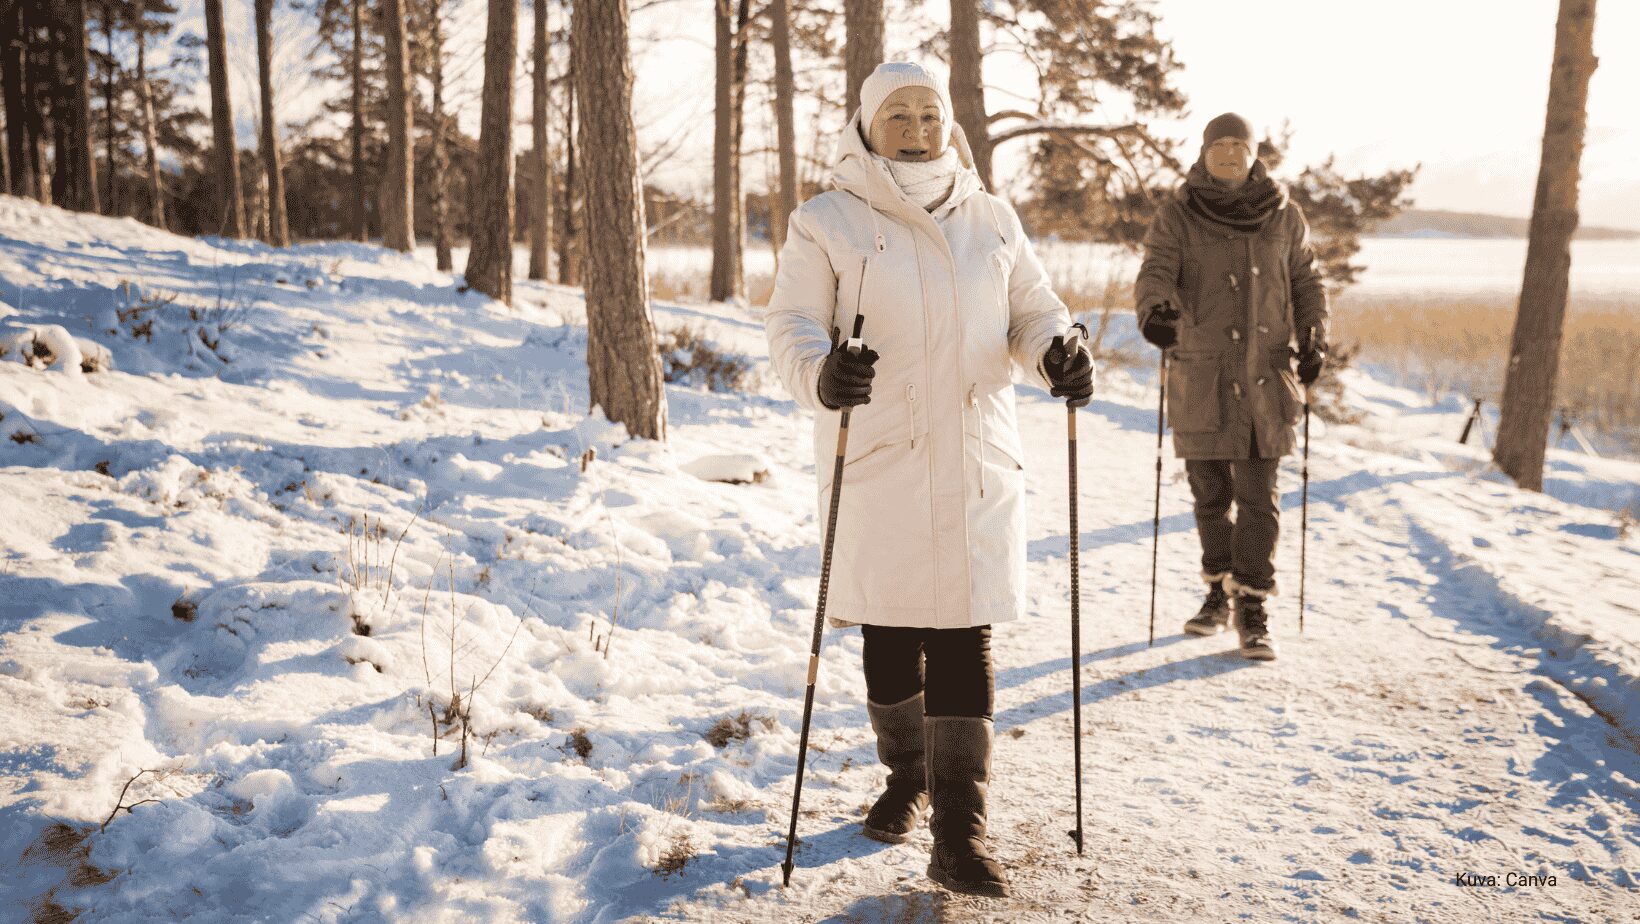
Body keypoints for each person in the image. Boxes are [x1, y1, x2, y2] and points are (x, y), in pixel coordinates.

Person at [763, 61, 1092, 898]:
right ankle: (906, 773)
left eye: (929, 113)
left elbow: (1033, 311)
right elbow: (792, 324)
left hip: (976, 456)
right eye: (899, 114)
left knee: (963, 633)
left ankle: (959, 830)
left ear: (950, 124)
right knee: (888, 633)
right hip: (879, 455)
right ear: (868, 126)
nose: (916, 128)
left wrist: (1057, 353)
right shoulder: (826, 220)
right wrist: (822, 373)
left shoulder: (992, 217)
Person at [1134, 112, 1329, 661]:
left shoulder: (1284, 214)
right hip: (1203, 374)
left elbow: (1307, 279)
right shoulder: (1178, 213)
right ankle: (1218, 591)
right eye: (1217, 146)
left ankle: (1252, 603)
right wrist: (1155, 311)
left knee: (1260, 498)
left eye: (1236, 147)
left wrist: (1315, 335)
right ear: (1203, 154)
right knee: (1211, 497)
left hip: (1266, 377)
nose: (1227, 155)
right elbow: (1156, 270)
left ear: (1252, 154)